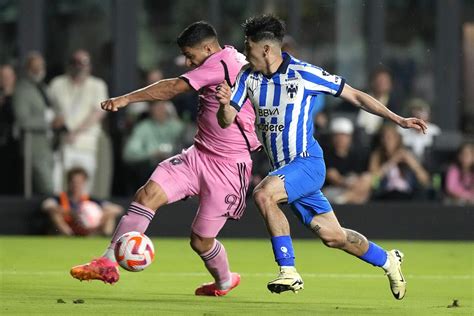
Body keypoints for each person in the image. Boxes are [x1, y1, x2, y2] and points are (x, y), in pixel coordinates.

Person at [216, 14, 428, 299]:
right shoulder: (247, 76)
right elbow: (227, 118)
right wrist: (223, 104)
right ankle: (389, 260)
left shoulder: (305, 74)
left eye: (248, 45)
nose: (244, 52)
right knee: (334, 237)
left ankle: (288, 271)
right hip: (284, 170)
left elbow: (355, 95)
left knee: (263, 194)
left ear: (266, 48)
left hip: (307, 163)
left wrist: (397, 118)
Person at [70, 21, 260, 296]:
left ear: (208, 48)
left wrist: (125, 99)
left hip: (229, 168)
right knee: (147, 195)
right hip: (198, 155)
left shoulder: (223, 63)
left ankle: (225, 281)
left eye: (190, 55)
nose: (187, 61)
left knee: (201, 241)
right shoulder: (226, 56)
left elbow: (173, 87)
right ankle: (107, 262)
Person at [49, 49, 108, 193]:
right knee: (59, 185)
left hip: (87, 143)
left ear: (90, 66)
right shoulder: (57, 83)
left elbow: (98, 113)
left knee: (85, 187)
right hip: (62, 143)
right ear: (69, 64)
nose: (79, 66)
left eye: (83, 62)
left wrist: (75, 132)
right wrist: (55, 122)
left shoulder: (98, 85)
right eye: (75, 62)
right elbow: (49, 110)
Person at [13, 52, 59, 195]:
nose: (38, 70)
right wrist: (49, 123)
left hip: (50, 145)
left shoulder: (43, 87)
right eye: (34, 67)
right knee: (47, 187)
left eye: (40, 66)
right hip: (34, 146)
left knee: (55, 186)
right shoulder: (22, 89)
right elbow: (23, 120)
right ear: (27, 68)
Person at [42, 167, 123, 236]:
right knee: (54, 213)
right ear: (68, 182)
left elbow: (118, 209)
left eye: (79, 182)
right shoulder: (60, 198)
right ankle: (69, 236)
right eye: (73, 182)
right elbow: (47, 205)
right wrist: (70, 213)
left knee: (110, 214)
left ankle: (105, 238)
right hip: (70, 226)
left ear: (84, 183)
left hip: (89, 229)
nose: (76, 185)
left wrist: (98, 215)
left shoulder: (90, 199)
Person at [123, 100, 184, 188]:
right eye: (156, 107)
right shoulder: (143, 128)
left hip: (176, 169)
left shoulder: (177, 126)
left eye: (162, 106)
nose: (160, 110)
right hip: (150, 170)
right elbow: (128, 154)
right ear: (151, 110)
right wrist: (151, 154)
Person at [369, 123, 430, 200]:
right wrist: (392, 161)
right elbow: (373, 180)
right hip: (385, 195)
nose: (387, 141)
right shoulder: (377, 155)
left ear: (397, 139)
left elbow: (425, 180)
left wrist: (411, 162)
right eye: (384, 137)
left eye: (390, 138)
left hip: (407, 195)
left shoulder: (406, 154)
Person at [323, 117, 372, 204]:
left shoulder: (357, 155)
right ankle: (348, 198)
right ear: (332, 138)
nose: (341, 139)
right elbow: (332, 176)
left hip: (353, 189)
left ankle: (345, 198)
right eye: (338, 136)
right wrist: (348, 183)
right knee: (361, 196)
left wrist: (356, 183)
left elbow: (364, 176)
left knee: (367, 180)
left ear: (350, 138)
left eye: (344, 136)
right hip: (333, 189)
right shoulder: (326, 155)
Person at [0, 64, 22, 194]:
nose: (5, 79)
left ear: (14, 77)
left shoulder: (20, 96)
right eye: (2, 77)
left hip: (15, 143)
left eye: (8, 76)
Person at [398, 98, 441, 163]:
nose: (419, 115)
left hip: (429, 163)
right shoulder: (401, 130)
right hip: (405, 163)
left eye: (422, 112)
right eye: (416, 111)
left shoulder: (434, 130)